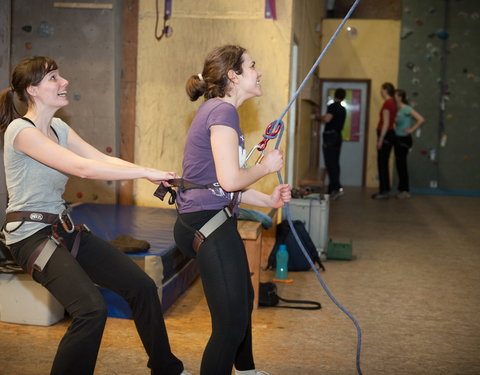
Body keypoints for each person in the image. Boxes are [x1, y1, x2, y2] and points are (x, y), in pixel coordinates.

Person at [0, 56, 190, 375]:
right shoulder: (21, 131)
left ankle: (166, 367)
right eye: (54, 79)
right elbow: (82, 169)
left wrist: (150, 174)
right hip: (29, 237)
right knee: (90, 310)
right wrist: (145, 172)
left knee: (141, 286)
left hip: (62, 228)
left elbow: (99, 158)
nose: (65, 83)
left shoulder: (59, 127)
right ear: (32, 90)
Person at [173, 45, 291, 375]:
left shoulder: (218, 110)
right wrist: (267, 167)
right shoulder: (222, 112)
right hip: (206, 223)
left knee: (242, 300)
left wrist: (267, 201)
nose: (259, 71)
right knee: (229, 326)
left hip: (211, 219)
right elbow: (229, 180)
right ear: (233, 76)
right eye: (252, 66)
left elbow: (221, 183)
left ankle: (247, 370)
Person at [393, 89, 425, 198]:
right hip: (397, 138)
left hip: (404, 139)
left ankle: (405, 190)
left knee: (402, 164)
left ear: (400, 97)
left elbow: (421, 119)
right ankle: (401, 188)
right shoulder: (396, 109)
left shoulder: (407, 109)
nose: (394, 97)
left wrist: (411, 130)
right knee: (398, 164)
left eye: (395, 95)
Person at [372, 82, 397, 200]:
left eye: (382, 89)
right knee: (384, 163)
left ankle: (383, 191)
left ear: (386, 90)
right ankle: (385, 189)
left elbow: (386, 123)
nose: (381, 91)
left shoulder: (388, 103)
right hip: (390, 134)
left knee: (382, 163)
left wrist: (380, 139)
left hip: (386, 135)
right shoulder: (393, 103)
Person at [321, 87, 346, 200]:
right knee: (335, 162)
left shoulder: (332, 106)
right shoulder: (343, 109)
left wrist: (317, 116)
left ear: (334, 95)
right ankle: (333, 188)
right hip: (337, 137)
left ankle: (335, 188)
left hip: (330, 137)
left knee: (330, 163)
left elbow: (327, 119)